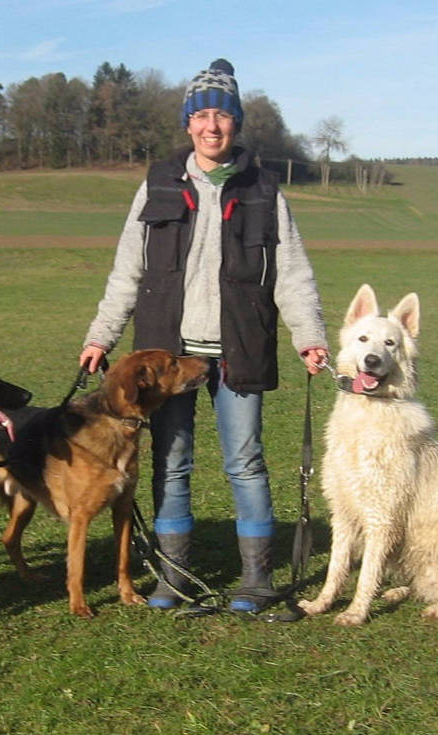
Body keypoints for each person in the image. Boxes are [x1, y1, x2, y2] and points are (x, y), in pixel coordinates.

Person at [79, 58, 329, 613]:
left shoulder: (263, 188)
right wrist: (101, 336)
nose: (212, 126)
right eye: (202, 115)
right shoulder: (158, 185)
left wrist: (309, 334)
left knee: (246, 462)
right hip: (169, 356)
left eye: (222, 116)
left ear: (237, 124)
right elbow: (128, 271)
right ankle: (174, 577)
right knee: (172, 462)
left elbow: (292, 271)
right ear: (188, 123)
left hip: (240, 347)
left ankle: (256, 579)